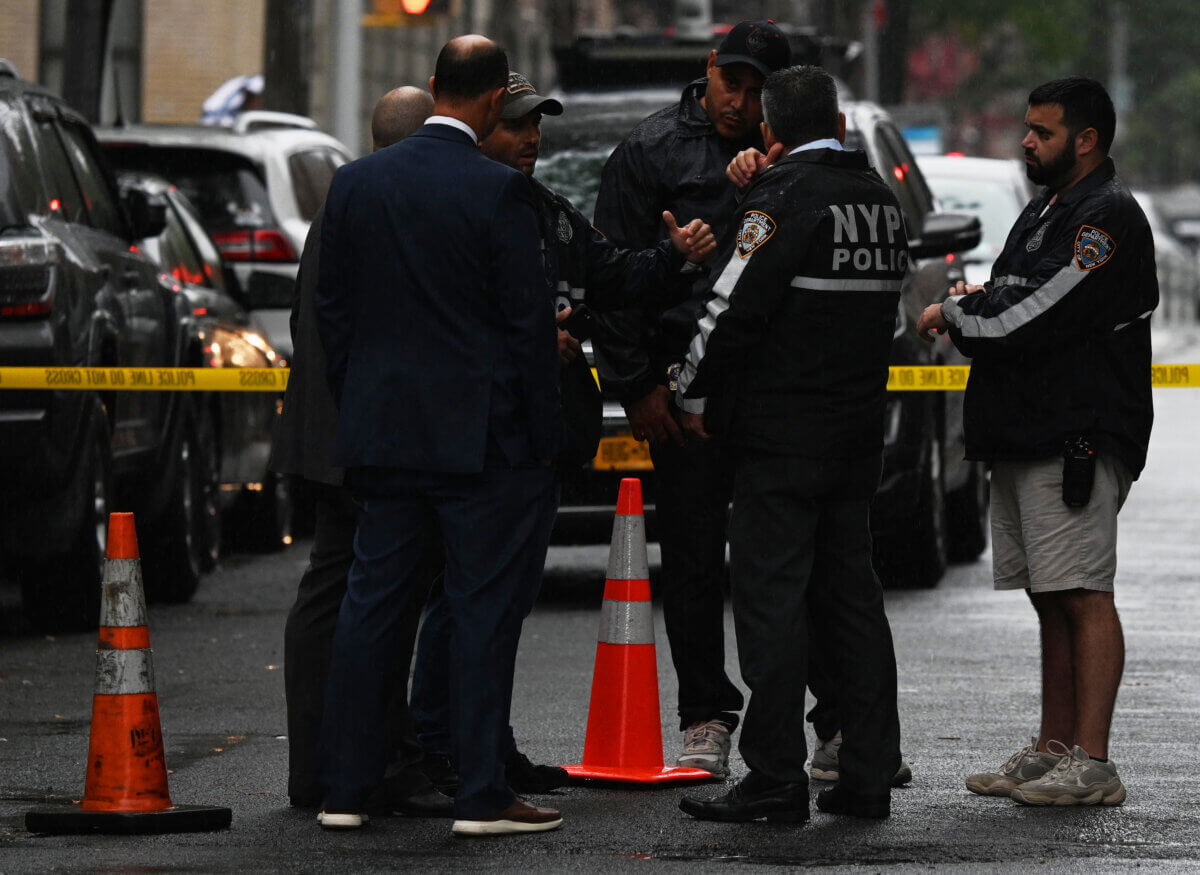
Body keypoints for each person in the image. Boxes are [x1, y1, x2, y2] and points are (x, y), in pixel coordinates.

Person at [410, 71, 717, 797]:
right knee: (461, 602)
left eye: (536, 125)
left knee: (499, 603)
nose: (531, 139)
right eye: (516, 125)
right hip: (470, 436)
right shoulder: (457, 207)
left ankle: (486, 745)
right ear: (481, 123)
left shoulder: (545, 211)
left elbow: (610, 273)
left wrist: (673, 256)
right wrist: (519, 335)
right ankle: (438, 747)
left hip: (536, 440)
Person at [314, 36, 564, 836]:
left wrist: (362, 402)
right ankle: (482, 791)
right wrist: (542, 431)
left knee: (371, 607)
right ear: (495, 101)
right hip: (479, 440)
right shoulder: (499, 194)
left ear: (434, 87)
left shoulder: (355, 185)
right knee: (481, 609)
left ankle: (346, 787)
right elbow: (527, 328)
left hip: (384, 433)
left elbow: (333, 313)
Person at [673, 64, 906, 823]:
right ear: (839, 126)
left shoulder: (779, 201)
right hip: (854, 439)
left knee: (771, 606)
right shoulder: (880, 201)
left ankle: (774, 777)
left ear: (770, 133)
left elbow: (727, 310)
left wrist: (691, 393)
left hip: (780, 439)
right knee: (853, 605)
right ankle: (867, 771)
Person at [916, 76, 1156, 807]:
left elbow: (1036, 310)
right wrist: (972, 303)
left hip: (1073, 435)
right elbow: (1008, 287)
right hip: (1027, 430)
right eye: (1027, 128)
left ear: (1086, 140)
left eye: (1042, 132)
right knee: (1050, 596)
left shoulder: (1103, 217)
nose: (1026, 141)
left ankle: (1095, 762)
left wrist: (954, 316)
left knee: (1083, 594)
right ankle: (1055, 749)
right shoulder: (1049, 207)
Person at [590, 18, 791, 777]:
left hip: (767, 385)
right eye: (729, 81)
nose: (739, 99)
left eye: (756, 88)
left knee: (786, 561)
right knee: (696, 560)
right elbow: (611, 278)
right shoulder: (649, 150)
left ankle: (820, 719)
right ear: (708, 69)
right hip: (678, 386)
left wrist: (769, 172)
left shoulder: (785, 151)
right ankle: (705, 715)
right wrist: (637, 383)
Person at [268, 85, 451, 818]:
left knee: (334, 591)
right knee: (377, 598)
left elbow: (308, 315)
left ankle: (326, 761)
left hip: (324, 427)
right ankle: (368, 759)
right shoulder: (382, 203)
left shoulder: (345, 202)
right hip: (361, 432)